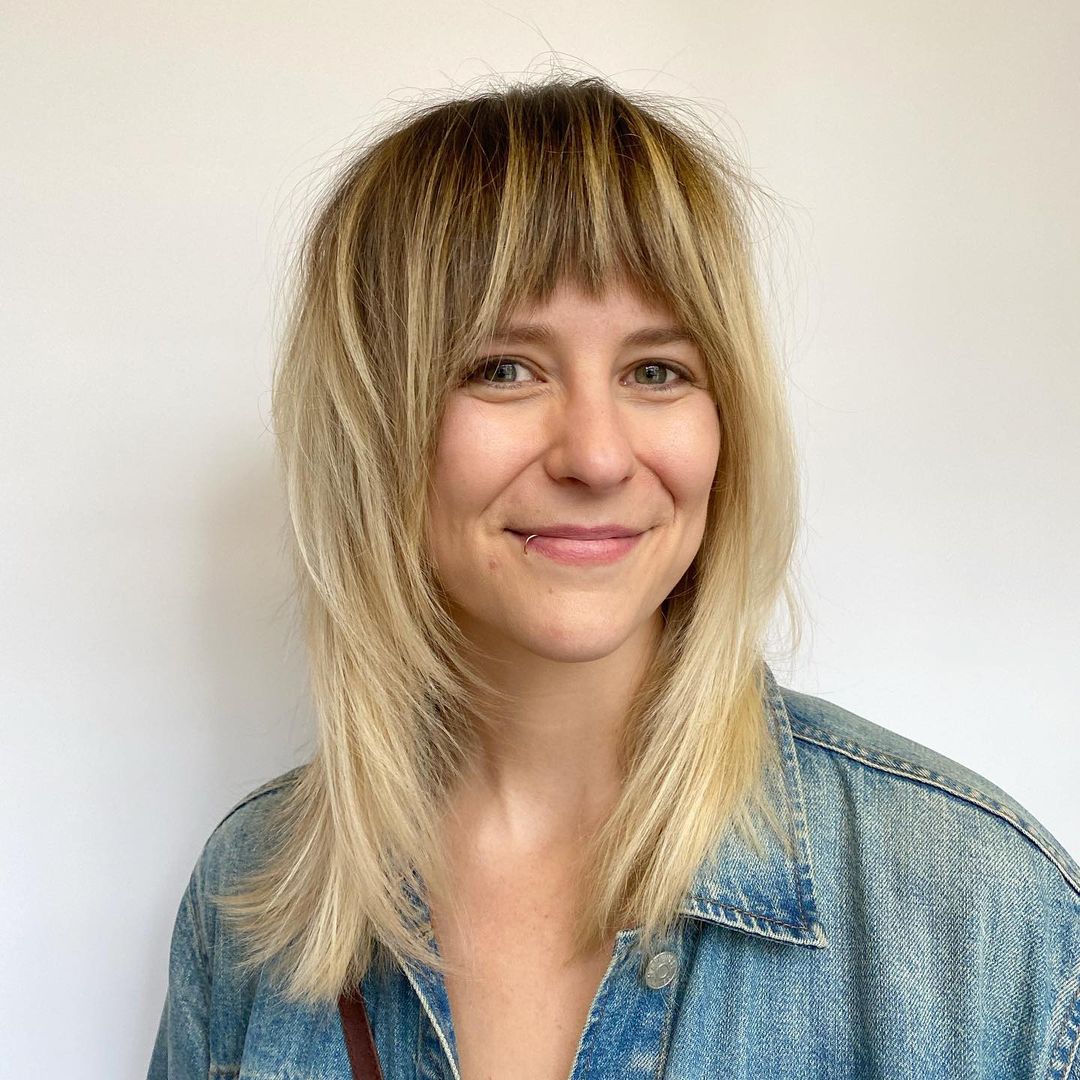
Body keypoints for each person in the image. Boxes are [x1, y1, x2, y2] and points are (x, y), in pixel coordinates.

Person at [147, 75, 1080, 1080]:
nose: (595, 456)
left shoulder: (977, 912)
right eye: (503, 367)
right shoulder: (252, 890)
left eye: (656, 371)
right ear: (373, 426)